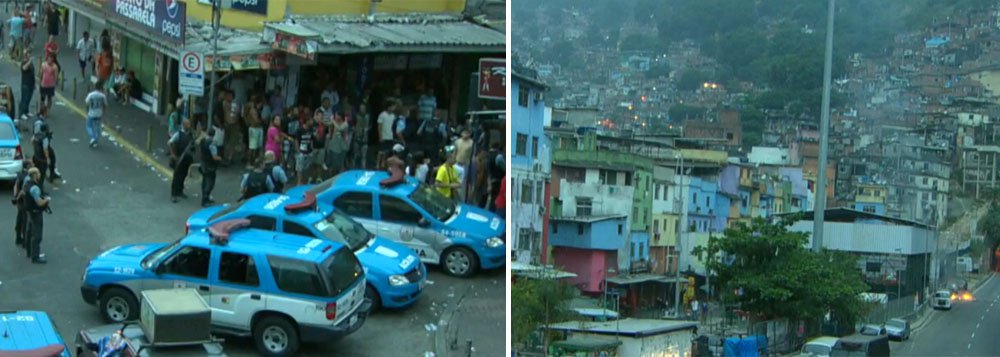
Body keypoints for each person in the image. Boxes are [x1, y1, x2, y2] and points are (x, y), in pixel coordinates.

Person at [22, 167, 50, 264]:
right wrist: (46, 200)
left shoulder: (27, 184)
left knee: (29, 231)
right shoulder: (35, 188)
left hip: (29, 211)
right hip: (36, 212)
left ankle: (29, 251)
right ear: (34, 175)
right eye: (38, 173)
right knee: (37, 235)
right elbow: (39, 203)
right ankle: (35, 256)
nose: (39, 174)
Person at [168, 119, 195, 203]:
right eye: (188, 124)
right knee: (177, 176)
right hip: (179, 158)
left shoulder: (190, 134)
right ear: (184, 125)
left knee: (183, 175)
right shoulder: (178, 134)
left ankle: (180, 191)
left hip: (187, 158)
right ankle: (174, 194)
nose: (189, 126)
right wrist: (173, 154)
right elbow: (169, 143)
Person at [13, 160, 34, 248]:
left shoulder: (20, 175)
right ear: (28, 166)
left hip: (19, 202)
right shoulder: (28, 177)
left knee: (19, 218)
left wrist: (15, 196)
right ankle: (25, 241)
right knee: (25, 221)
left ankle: (18, 237)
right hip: (24, 202)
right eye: (32, 164)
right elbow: (24, 190)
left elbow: (15, 186)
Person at [199, 128, 221, 207]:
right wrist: (220, 158)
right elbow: (214, 157)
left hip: (203, 164)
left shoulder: (203, 141)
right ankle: (205, 199)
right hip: (210, 166)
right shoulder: (212, 143)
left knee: (204, 182)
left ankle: (205, 197)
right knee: (210, 183)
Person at [85, 81, 108, 148]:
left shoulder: (90, 95)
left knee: (89, 126)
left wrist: (87, 111)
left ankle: (92, 138)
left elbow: (87, 103)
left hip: (91, 113)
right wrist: (103, 113)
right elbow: (105, 105)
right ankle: (96, 140)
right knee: (97, 128)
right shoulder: (103, 96)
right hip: (99, 113)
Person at [376, 99, 398, 167]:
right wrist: (380, 136)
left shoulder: (393, 116)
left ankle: (383, 163)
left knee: (386, 151)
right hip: (383, 135)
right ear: (389, 107)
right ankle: (377, 163)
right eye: (393, 106)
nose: (394, 108)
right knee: (381, 151)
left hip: (390, 136)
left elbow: (393, 126)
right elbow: (379, 126)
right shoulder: (382, 115)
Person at [295, 117, 315, 185]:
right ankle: (299, 182)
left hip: (309, 151)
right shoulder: (299, 129)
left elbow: (311, 139)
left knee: (307, 167)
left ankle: (306, 181)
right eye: (310, 120)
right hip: (301, 151)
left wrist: (312, 149)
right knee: (299, 168)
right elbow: (296, 140)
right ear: (306, 121)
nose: (312, 121)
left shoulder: (311, 129)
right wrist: (298, 151)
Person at [245, 95, 264, 169]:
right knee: (252, 147)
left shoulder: (258, 110)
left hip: (259, 128)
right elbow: (256, 121)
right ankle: (249, 162)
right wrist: (261, 121)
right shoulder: (253, 110)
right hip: (254, 128)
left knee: (258, 147)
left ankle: (255, 161)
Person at [19, 49, 34, 122]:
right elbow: (24, 68)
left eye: (30, 54)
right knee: (24, 99)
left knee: (28, 99)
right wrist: (30, 61)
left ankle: (26, 112)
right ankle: (21, 113)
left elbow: (32, 74)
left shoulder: (31, 64)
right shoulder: (24, 62)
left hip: (31, 84)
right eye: (28, 54)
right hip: (25, 84)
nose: (29, 55)